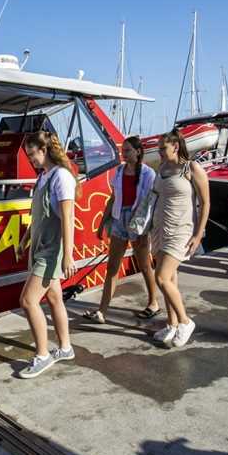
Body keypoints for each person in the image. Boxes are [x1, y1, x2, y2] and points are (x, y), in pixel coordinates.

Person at [15, 131, 78, 378]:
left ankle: (42, 355)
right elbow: (38, 217)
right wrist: (24, 241)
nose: (31, 160)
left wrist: (68, 255)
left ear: (44, 151)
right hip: (39, 247)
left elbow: (68, 218)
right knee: (54, 299)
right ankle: (65, 348)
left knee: (28, 301)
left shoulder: (61, 177)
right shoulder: (44, 177)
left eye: (32, 154)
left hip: (52, 249)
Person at [84, 136, 159, 323]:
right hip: (119, 219)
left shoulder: (148, 174)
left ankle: (153, 302)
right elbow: (113, 198)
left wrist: (146, 228)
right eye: (122, 151)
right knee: (112, 267)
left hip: (137, 220)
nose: (123, 154)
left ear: (138, 152)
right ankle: (102, 311)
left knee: (144, 264)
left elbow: (150, 203)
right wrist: (102, 222)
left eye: (127, 151)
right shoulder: (118, 171)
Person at [149, 129, 210, 348]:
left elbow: (205, 203)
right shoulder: (162, 168)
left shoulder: (192, 168)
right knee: (171, 278)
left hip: (181, 230)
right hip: (159, 229)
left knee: (162, 278)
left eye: (163, 149)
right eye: (158, 150)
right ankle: (172, 324)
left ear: (175, 146)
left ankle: (185, 321)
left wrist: (198, 233)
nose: (160, 153)